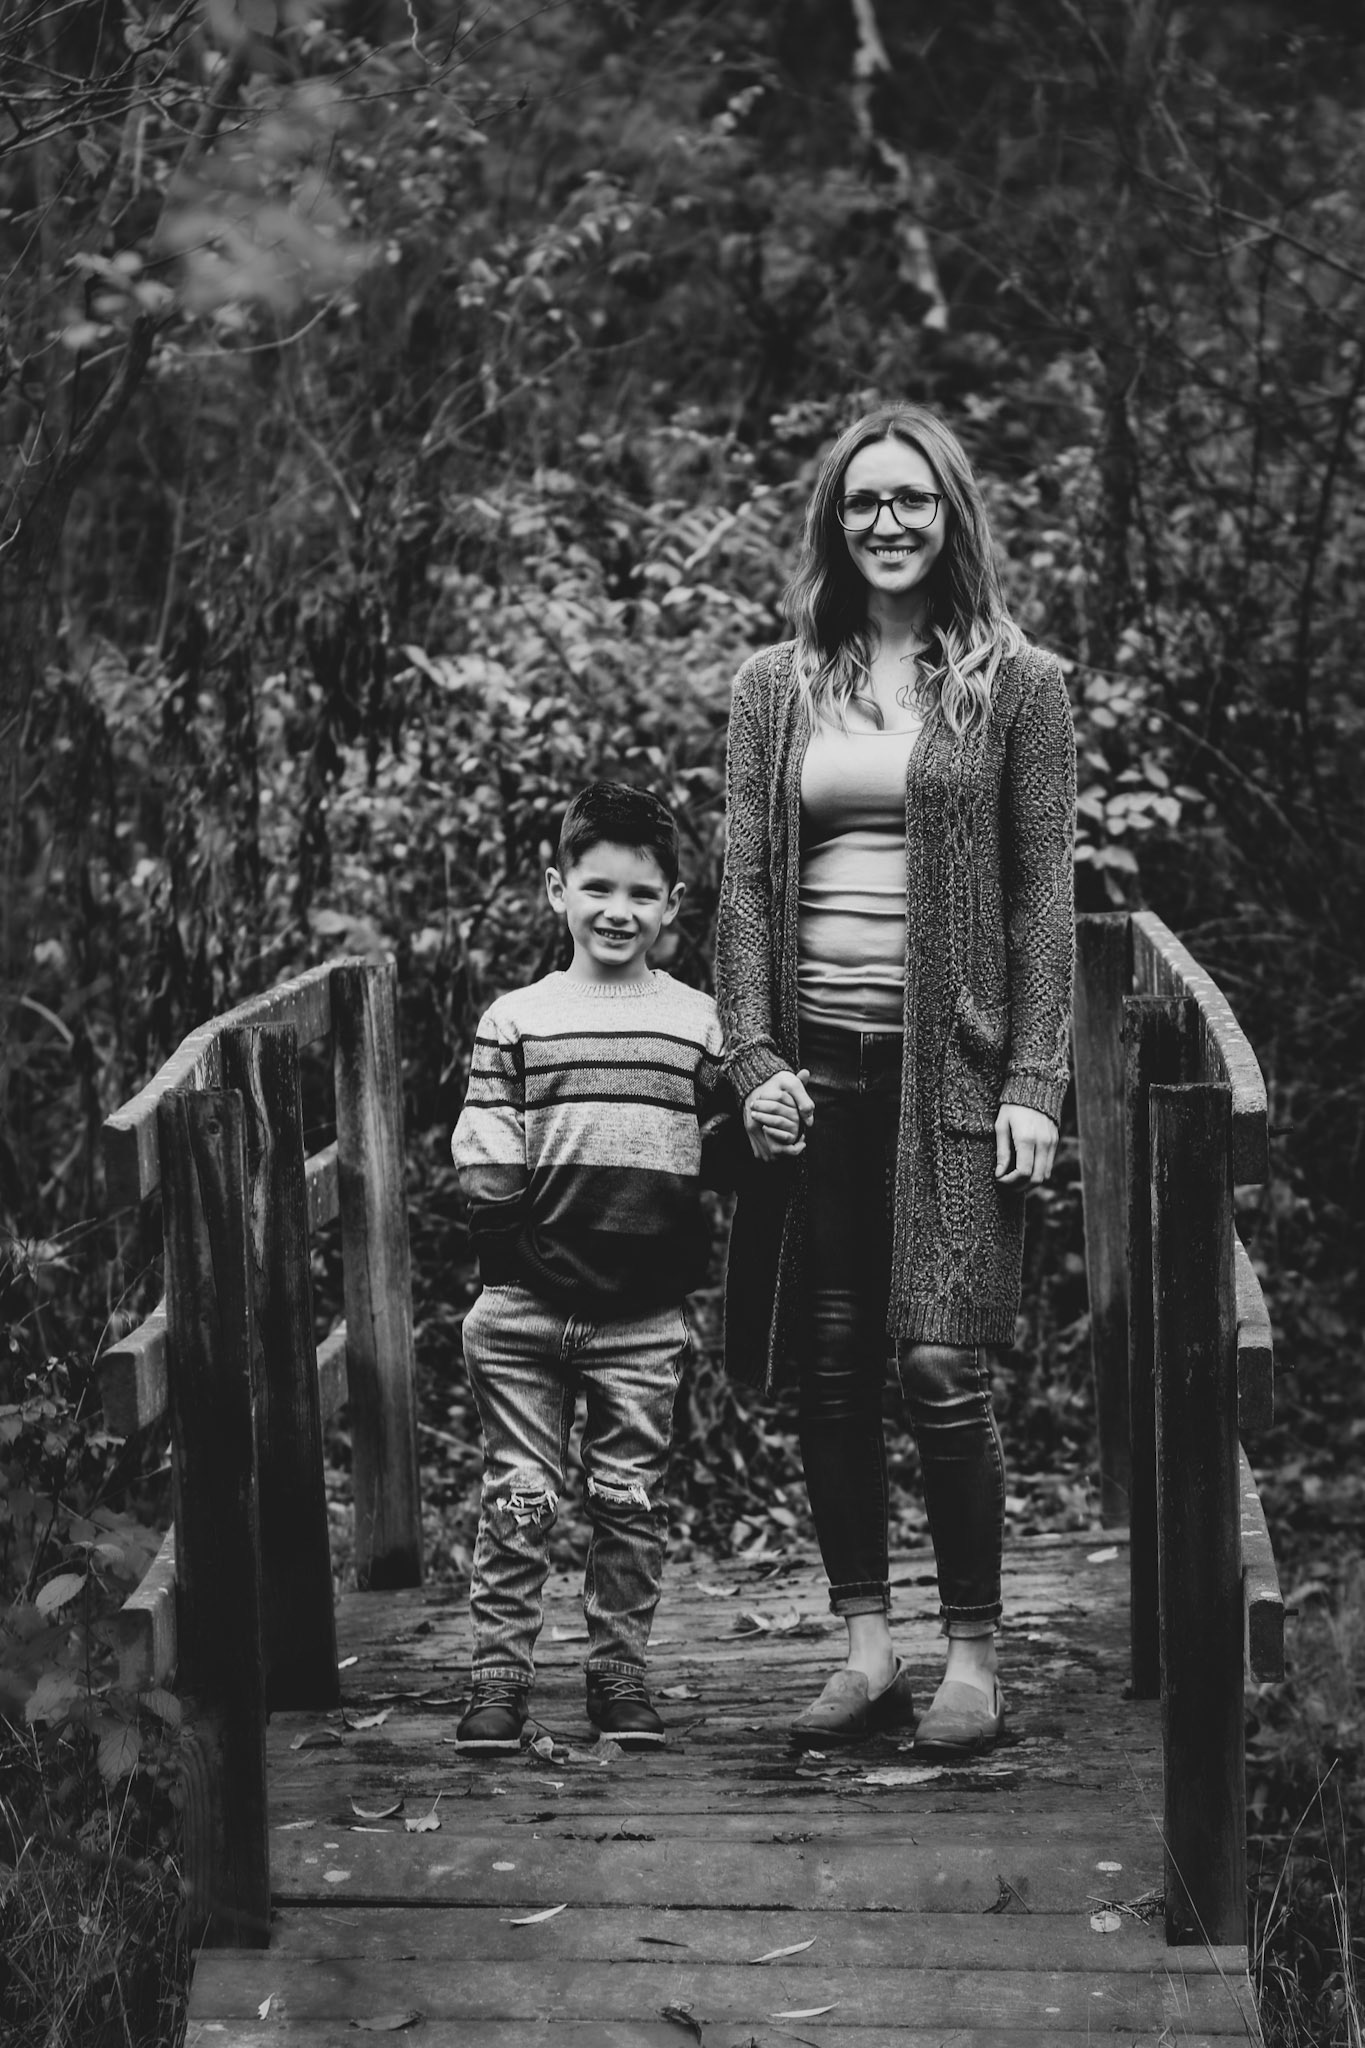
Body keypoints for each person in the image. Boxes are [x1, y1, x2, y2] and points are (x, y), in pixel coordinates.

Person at [716, 403, 1075, 1754]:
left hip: (955, 1084)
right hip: (818, 1082)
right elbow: (744, 888)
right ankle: (867, 1650)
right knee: (829, 1366)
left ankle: (971, 1657)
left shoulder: (1018, 684)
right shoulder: (773, 687)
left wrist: (1035, 1080)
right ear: (833, 519)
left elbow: (1043, 898)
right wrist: (753, 1056)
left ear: (949, 514)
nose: (886, 521)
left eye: (911, 499)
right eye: (863, 500)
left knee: (938, 1360)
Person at [451, 780, 735, 1754]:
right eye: (597, 887)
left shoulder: (699, 1022)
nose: (618, 910)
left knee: (628, 1499)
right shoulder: (517, 1019)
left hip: (643, 1318)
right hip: (523, 1308)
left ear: (673, 903)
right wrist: (515, 1262)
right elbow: (487, 1154)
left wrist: (764, 1119)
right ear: (556, 890)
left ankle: (618, 1672)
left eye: (641, 893)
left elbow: (720, 1149)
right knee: (518, 1495)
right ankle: (498, 1678)